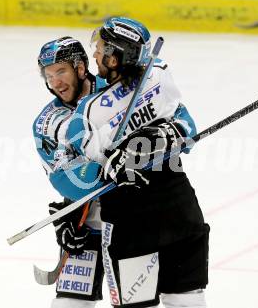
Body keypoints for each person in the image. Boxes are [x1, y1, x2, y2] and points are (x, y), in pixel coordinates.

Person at [48, 17, 209, 308]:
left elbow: (187, 128)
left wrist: (154, 141)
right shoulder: (156, 76)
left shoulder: (95, 110)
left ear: (114, 56)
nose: (94, 55)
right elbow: (65, 174)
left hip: (157, 210)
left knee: (183, 301)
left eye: (99, 49)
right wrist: (76, 202)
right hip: (153, 208)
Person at [33, 36, 107, 308]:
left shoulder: (117, 92)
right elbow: (67, 179)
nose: (56, 83)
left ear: (80, 67)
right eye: (49, 76)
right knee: (69, 304)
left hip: (137, 217)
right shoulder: (47, 123)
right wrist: (70, 206)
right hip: (88, 222)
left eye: (61, 71)